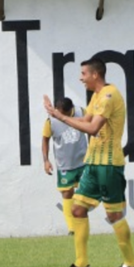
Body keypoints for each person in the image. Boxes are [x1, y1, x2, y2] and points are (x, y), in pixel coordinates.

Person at [44, 58, 134, 267]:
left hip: (109, 164)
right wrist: (58, 115)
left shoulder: (109, 95)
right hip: (93, 163)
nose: (81, 78)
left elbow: (92, 128)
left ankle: (132, 264)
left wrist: (59, 116)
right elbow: (83, 121)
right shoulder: (96, 96)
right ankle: (81, 264)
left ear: (95, 75)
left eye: (84, 74)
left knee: (114, 215)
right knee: (77, 209)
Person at [41, 97, 88, 235]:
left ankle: (81, 222)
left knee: (85, 193)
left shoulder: (81, 112)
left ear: (70, 110)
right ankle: (72, 228)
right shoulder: (51, 121)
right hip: (65, 165)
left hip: (83, 161)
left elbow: (91, 125)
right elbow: (45, 140)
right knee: (67, 193)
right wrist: (46, 160)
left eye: (64, 114)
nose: (60, 116)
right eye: (58, 112)